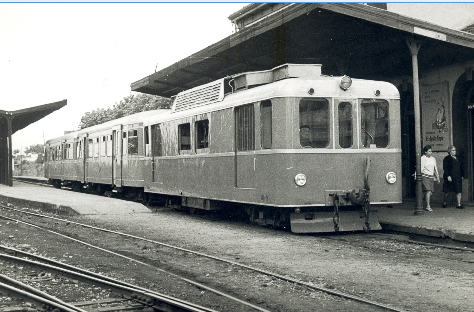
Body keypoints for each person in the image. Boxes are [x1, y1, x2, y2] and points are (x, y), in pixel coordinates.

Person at [420, 145, 440, 211]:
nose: (430, 152)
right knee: (428, 191)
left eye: (431, 151)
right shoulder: (422, 158)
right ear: (425, 152)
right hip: (424, 176)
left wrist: (437, 177)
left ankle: (420, 203)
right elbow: (420, 168)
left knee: (428, 192)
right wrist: (416, 175)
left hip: (431, 176)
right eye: (429, 151)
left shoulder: (433, 159)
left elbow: (435, 168)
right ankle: (428, 206)